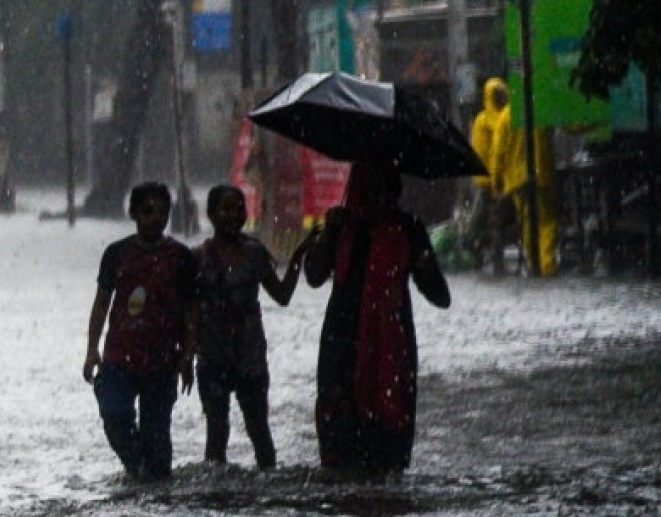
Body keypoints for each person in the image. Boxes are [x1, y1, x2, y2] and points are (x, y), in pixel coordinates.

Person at [304, 161, 451, 478]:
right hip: (342, 342)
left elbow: (441, 297)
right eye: (369, 188)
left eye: (384, 188)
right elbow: (314, 276)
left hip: (389, 346)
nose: (377, 196)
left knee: (386, 438)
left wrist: (425, 267)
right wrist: (327, 234)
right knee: (340, 435)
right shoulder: (341, 226)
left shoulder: (408, 229)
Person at [82, 182, 200, 482]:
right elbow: (101, 305)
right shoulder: (117, 254)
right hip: (119, 356)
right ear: (133, 213)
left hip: (162, 361)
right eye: (147, 211)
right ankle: (136, 470)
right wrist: (91, 349)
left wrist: (188, 356)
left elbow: (191, 312)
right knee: (115, 415)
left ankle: (155, 486)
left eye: (162, 212)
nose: (155, 219)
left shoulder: (180, 258)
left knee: (157, 438)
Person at [194, 184, 311, 470]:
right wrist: (186, 353)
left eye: (239, 208)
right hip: (212, 356)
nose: (233, 215)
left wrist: (297, 259)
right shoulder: (198, 258)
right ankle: (217, 497)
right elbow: (189, 309)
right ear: (210, 215)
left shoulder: (255, 254)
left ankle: (264, 487)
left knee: (259, 431)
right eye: (225, 209)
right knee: (216, 434)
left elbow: (281, 295)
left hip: (251, 357)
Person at [495, 110, 558, 276]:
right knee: (547, 221)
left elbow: (498, 153)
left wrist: (496, 182)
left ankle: (534, 261)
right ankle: (547, 263)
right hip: (542, 174)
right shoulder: (539, 110)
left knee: (527, 223)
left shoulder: (505, 117)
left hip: (517, 180)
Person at [469, 77, 512, 275]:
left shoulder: (496, 118)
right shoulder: (486, 121)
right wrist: (492, 179)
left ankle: (488, 255)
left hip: (498, 178)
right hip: (492, 180)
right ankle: (491, 258)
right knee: (492, 220)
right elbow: (487, 151)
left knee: (493, 220)